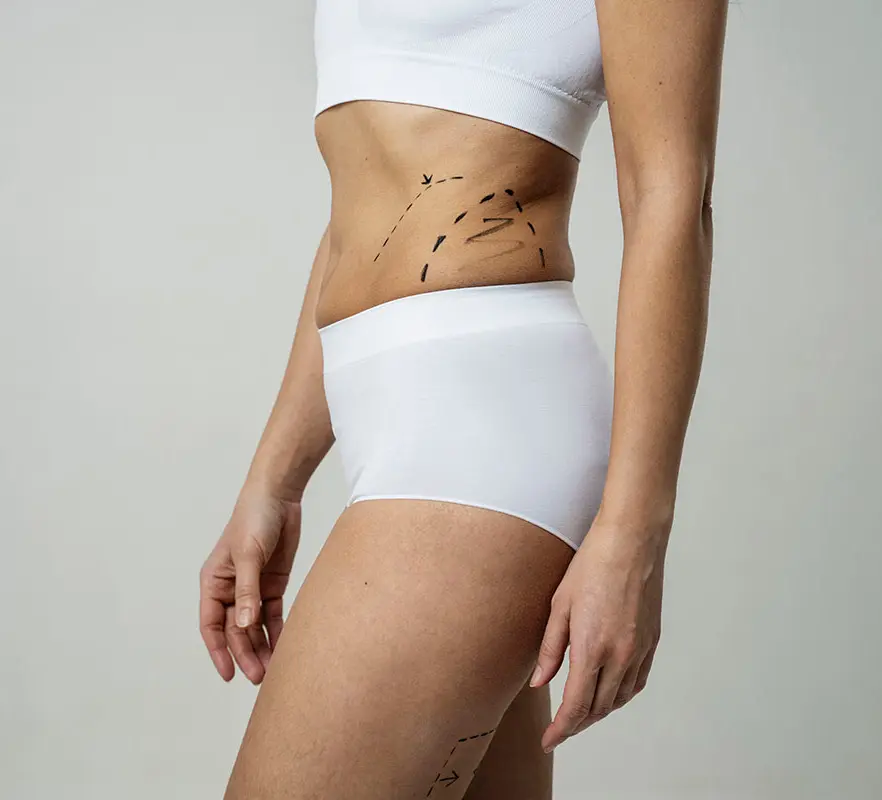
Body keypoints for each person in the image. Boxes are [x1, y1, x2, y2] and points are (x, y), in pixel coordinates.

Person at [198, 1, 728, 796]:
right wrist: (273, 481)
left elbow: (670, 197)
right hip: (396, 415)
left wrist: (633, 533)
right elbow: (361, 214)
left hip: (485, 436)